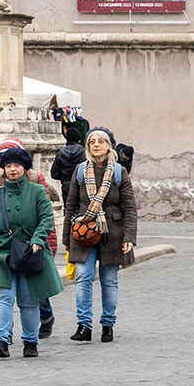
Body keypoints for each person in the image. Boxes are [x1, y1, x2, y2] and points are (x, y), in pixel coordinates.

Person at [0, 145, 64, 358]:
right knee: (4, 298)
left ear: (25, 168)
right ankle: (1, 339)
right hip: (2, 253)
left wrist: (38, 239)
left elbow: (46, 218)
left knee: (27, 301)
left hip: (30, 252)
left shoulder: (36, 191)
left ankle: (30, 341)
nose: (12, 169)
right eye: (8, 166)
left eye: (16, 165)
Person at [63, 126, 136, 342]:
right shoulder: (79, 171)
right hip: (83, 232)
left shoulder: (118, 172)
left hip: (112, 233)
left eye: (101, 141)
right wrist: (67, 237)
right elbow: (71, 206)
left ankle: (107, 324)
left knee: (109, 280)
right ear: (87, 147)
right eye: (92, 141)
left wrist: (129, 237)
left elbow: (130, 207)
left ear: (109, 145)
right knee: (83, 276)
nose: (96, 144)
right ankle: (84, 325)